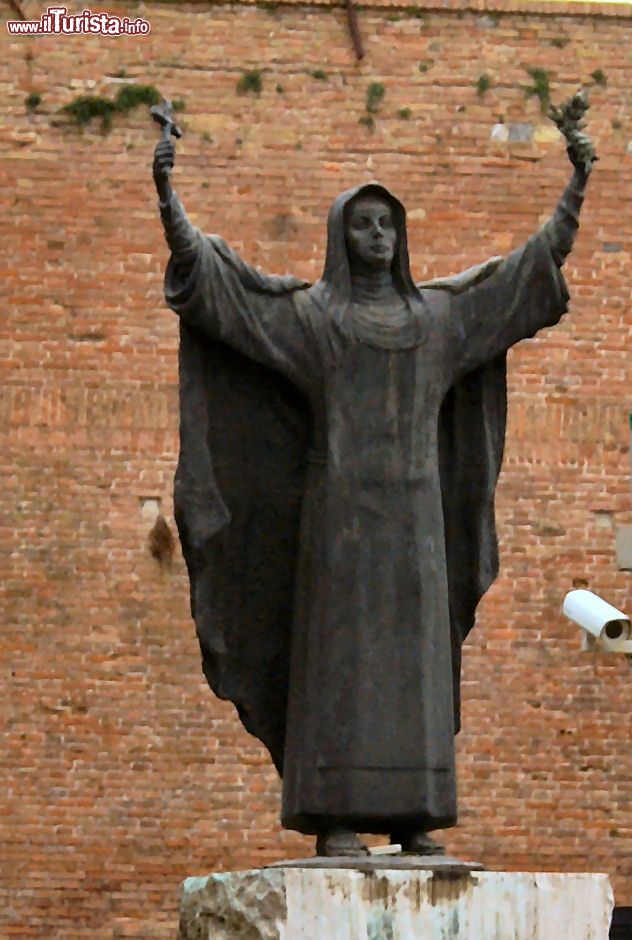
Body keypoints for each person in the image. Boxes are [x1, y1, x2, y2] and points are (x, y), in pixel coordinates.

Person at [153, 94, 595, 858]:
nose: (378, 235)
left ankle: (416, 815)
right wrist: (167, 195)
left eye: (387, 223)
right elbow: (226, 292)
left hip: (418, 527)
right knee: (338, 666)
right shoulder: (315, 320)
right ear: (339, 235)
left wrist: (577, 184)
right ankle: (334, 819)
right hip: (338, 524)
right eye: (362, 223)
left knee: (418, 670)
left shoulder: (438, 321)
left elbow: (523, 275)